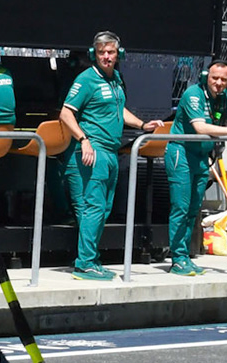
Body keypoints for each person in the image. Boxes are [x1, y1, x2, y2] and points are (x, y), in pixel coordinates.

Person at [60, 31, 162, 280]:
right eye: (102, 52)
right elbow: (65, 113)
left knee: (104, 209)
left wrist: (142, 124)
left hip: (110, 152)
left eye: (111, 52)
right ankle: (84, 264)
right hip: (92, 151)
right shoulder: (86, 79)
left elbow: (120, 110)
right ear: (94, 54)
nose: (106, 56)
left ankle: (91, 259)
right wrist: (84, 140)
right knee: (93, 208)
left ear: (119, 55)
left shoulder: (115, 78)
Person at [163, 60, 227, 276]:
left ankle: (185, 256)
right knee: (181, 207)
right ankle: (178, 258)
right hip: (181, 154)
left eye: (224, 79)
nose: (219, 83)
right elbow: (200, 127)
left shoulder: (226, 98)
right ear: (206, 77)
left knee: (194, 208)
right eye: (215, 78)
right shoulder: (193, 94)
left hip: (202, 156)